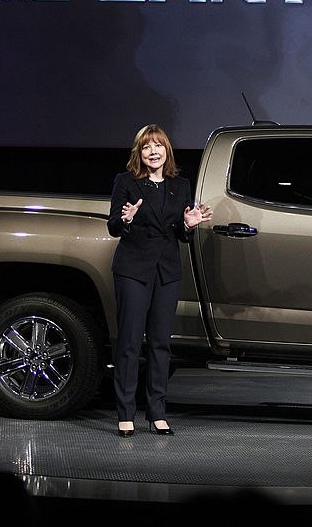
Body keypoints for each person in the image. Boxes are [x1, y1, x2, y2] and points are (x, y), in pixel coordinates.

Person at [107, 124, 212, 436]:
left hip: (166, 270)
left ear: (167, 151)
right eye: (146, 147)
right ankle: (125, 414)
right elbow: (113, 224)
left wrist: (188, 224)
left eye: (158, 146)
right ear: (139, 153)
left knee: (160, 344)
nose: (153, 152)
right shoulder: (126, 182)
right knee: (128, 343)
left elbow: (180, 231)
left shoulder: (179, 186)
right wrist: (125, 219)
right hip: (133, 270)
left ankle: (157, 412)